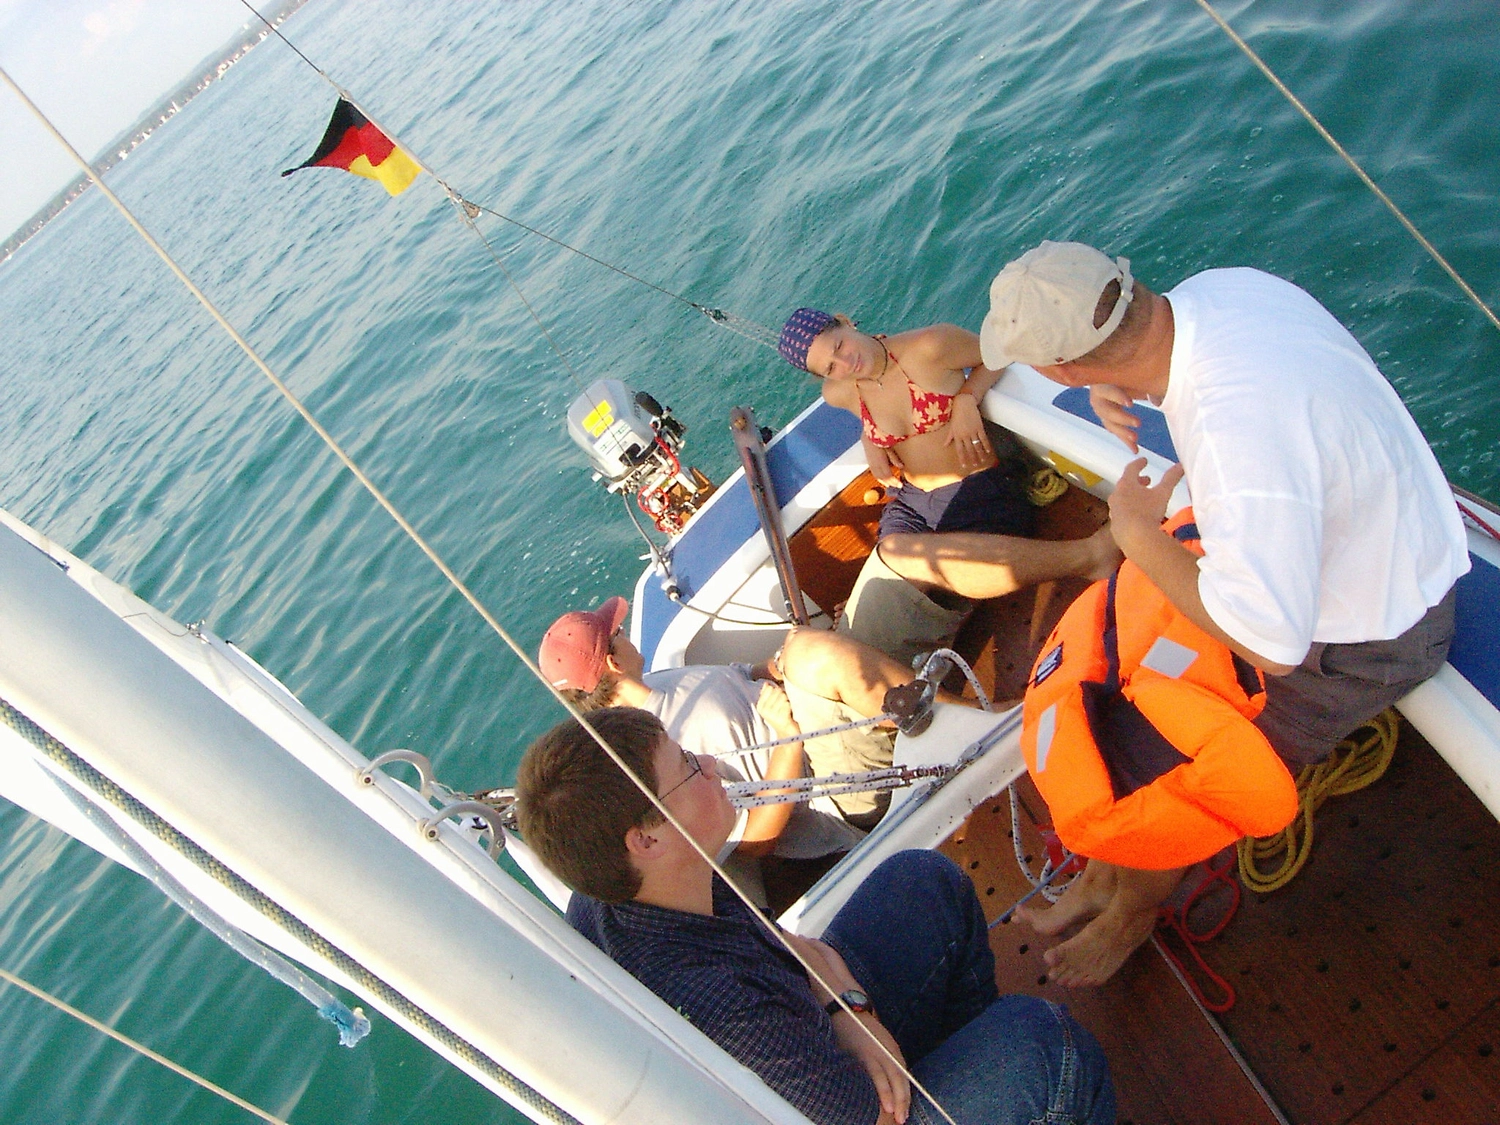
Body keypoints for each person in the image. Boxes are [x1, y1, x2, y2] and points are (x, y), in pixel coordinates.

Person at [980, 239, 1471, 986]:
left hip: (1371, 633)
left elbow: (1270, 646)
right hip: (1356, 545)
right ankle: (1108, 871)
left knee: (1150, 779)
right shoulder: (1222, 289)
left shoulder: (1235, 436)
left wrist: (1136, 534)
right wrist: (1118, 385)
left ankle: (1131, 909)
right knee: (1113, 684)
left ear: (1059, 371)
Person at [516, 707, 1116, 1125]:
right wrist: (857, 1022)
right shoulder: (722, 1009)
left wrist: (845, 1007)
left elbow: (790, 946)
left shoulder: (625, 890)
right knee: (1047, 1045)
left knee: (923, 881)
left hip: (815, 1024)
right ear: (646, 839)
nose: (710, 762)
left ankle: (963, 1070)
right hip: (851, 1109)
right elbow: (872, 1118)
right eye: (687, 767)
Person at [778, 308, 1121, 604]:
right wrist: (869, 437)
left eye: (839, 346)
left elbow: (999, 354)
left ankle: (1089, 556)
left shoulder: (930, 345)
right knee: (892, 565)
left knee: (920, 572)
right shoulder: (839, 391)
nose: (845, 363)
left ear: (846, 322)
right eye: (830, 367)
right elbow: (873, 410)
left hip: (977, 490)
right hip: (910, 502)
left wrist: (968, 397)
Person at [538, 595, 933, 841]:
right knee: (816, 655)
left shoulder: (655, 680)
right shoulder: (650, 756)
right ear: (613, 663)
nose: (626, 634)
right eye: (619, 632)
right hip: (837, 789)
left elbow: (742, 674)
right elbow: (754, 837)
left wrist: (782, 658)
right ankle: (949, 718)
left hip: (817, 706)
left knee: (894, 561)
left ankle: (934, 706)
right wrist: (788, 739)